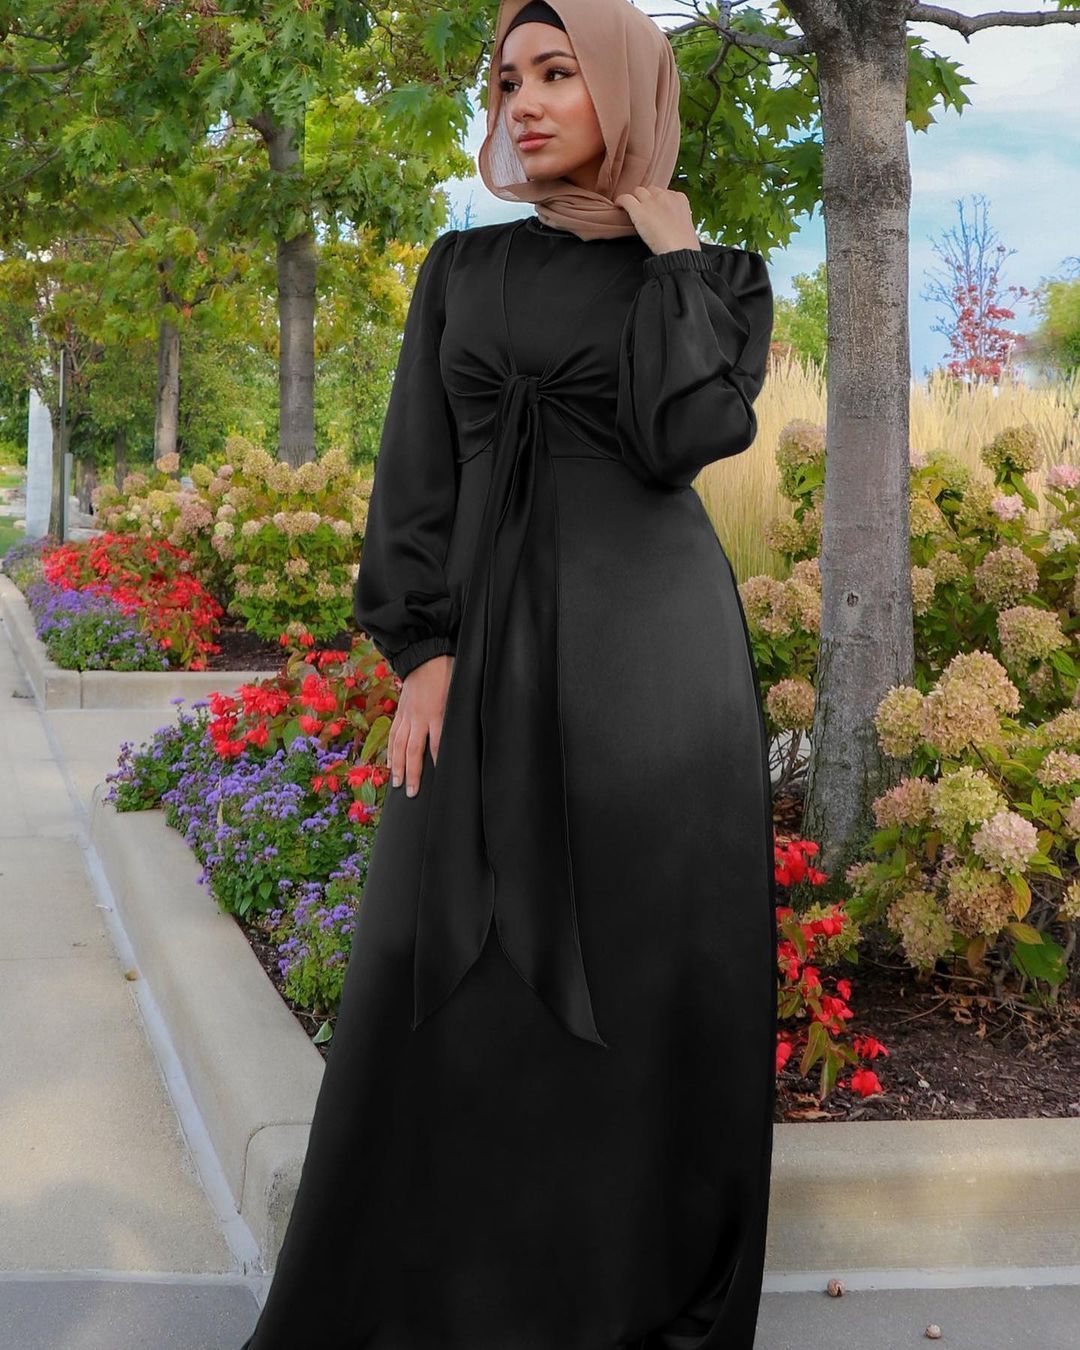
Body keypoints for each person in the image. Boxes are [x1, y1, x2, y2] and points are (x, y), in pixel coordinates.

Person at [237, 0, 777, 1346]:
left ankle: (620, 1297)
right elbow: (415, 469)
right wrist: (420, 649)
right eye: (506, 80)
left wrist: (671, 258)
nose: (522, 103)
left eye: (557, 74)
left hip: (652, 676)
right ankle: (439, 1300)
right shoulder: (460, 268)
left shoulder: (714, 278)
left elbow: (684, 436)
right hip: (477, 668)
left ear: (626, 93)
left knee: (641, 975)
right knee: (444, 965)